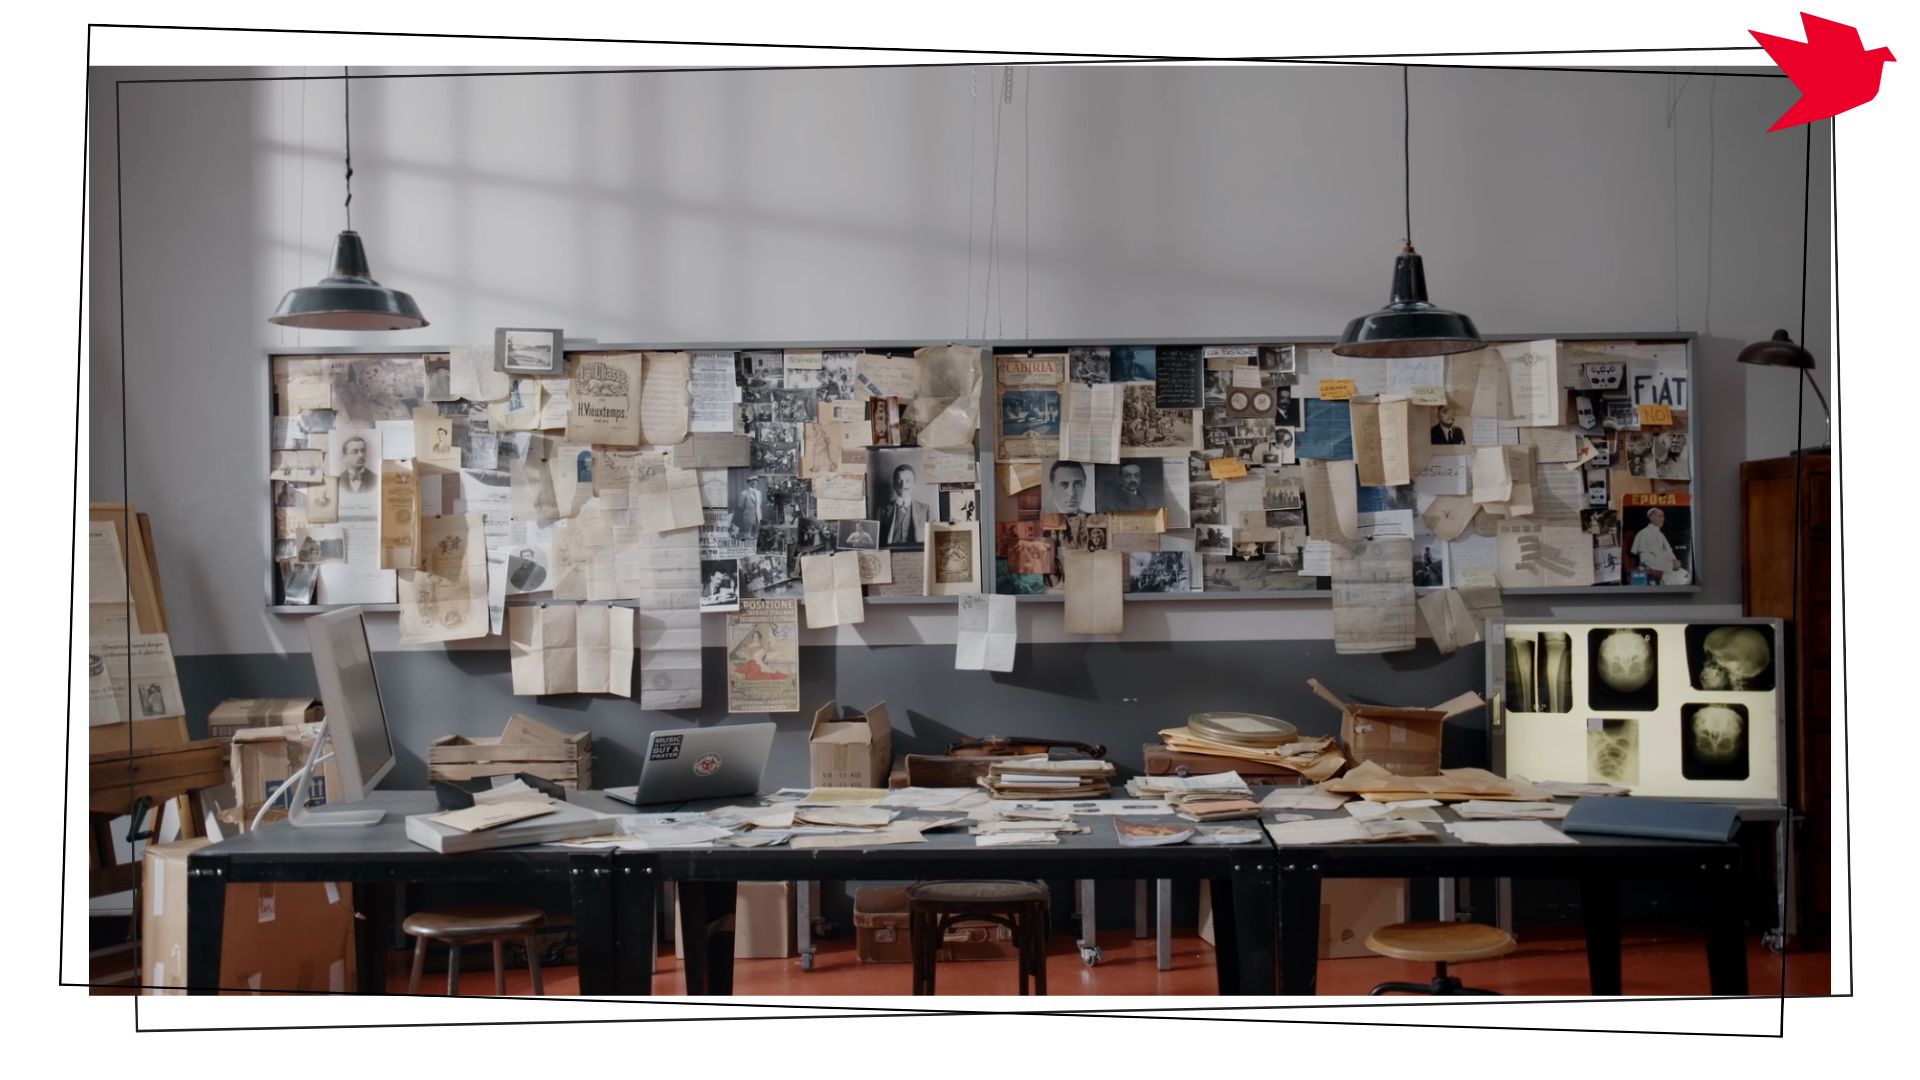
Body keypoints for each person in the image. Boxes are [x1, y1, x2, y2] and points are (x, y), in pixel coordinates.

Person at [877, 464, 929, 545]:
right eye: (899, 480)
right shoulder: (881, 511)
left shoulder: (925, 510)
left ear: (914, 484)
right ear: (894, 485)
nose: (903, 485)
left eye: (908, 480)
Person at [1629, 507, 1683, 579]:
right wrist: (1671, 565)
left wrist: (1675, 561)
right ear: (1651, 517)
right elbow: (1646, 561)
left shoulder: (1661, 534)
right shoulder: (1644, 534)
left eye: (1663, 516)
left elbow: (1669, 551)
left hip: (1667, 567)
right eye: (1660, 516)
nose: (1663, 519)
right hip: (1655, 571)